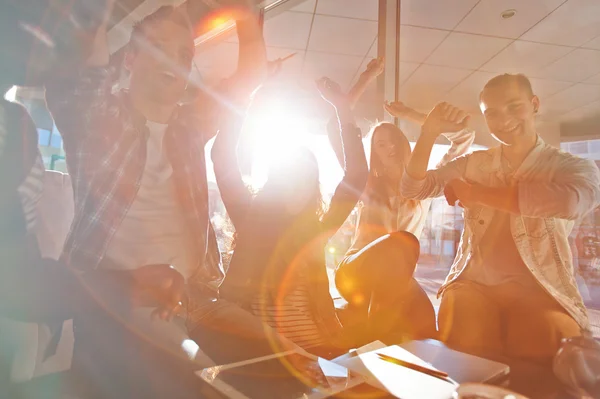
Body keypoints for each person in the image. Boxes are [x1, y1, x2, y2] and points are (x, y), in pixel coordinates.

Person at [45, 3, 298, 397]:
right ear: (130, 59)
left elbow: (247, 79)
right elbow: (82, 67)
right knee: (209, 389)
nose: (175, 61)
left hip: (195, 299)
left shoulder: (188, 127)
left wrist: (246, 19)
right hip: (122, 302)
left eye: (184, 55)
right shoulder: (99, 118)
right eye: (160, 48)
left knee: (296, 366)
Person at [402, 73, 600, 365]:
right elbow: (413, 189)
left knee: (541, 338)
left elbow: (571, 202)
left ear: (535, 104)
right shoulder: (476, 163)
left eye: (514, 106)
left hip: (541, 288)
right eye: (491, 113)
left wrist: (477, 194)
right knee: (465, 331)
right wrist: (429, 132)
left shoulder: (569, 166)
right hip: (475, 285)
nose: (504, 119)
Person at [211, 77, 368, 355]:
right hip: (262, 355)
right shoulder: (251, 221)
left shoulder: (315, 231)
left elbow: (356, 176)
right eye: (291, 176)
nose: (300, 185)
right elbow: (222, 156)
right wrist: (246, 98)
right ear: (275, 182)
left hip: (318, 351)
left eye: (308, 178)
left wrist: (342, 109)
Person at [327, 60, 475, 342]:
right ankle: (373, 347)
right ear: (375, 153)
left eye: (394, 139)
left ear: (405, 143)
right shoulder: (365, 184)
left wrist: (412, 115)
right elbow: (335, 129)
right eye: (381, 144)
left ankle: (382, 356)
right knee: (401, 242)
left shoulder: (425, 185)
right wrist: (366, 76)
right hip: (355, 272)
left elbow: (464, 138)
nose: (390, 147)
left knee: (425, 326)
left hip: (396, 278)